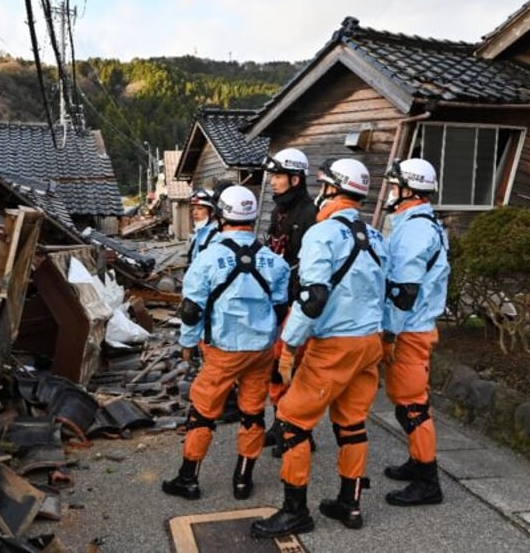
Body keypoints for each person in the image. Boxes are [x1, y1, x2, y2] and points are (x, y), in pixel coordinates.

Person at [252, 158, 386, 538]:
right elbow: (392, 294)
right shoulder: (375, 235)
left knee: (292, 423)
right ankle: (350, 503)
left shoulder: (321, 234)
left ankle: (296, 512)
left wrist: (290, 344)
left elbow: (312, 299)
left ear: (330, 188)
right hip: (369, 342)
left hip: (334, 345)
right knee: (351, 422)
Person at [162, 185, 290, 501]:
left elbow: (192, 310)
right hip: (260, 350)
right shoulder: (274, 261)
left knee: (203, 413)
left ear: (220, 216)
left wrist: (188, 344)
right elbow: (280, 306)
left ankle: (188, 478)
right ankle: (243, 480)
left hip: (222, 349)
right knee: (253, 413)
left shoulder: (207, 259)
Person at [381, 158, 450, 507]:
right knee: (405, 401)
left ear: (408, 188)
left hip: (409, 328)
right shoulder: (424, 223)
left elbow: (403, 290)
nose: (392, 192)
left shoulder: (414, 229)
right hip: (415, 325)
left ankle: (428, 480)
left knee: (413, 406)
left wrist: (389, 333)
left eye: (395, 186)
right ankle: (416, 461)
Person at [261, 148, 317, 455]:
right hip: (277, 300)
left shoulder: (310, 214)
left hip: (297, 302)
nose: (273, 182)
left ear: (295, 179)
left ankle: (299, 430)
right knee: (275, 368)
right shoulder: (277, 211)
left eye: (278, 176)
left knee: (291, 368)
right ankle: (279, 422)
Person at [186, 188, 217, 265]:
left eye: (200, 209)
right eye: (193, 209)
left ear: (212, 212)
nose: (194, 213)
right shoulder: (198, 233)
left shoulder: (217, 237)